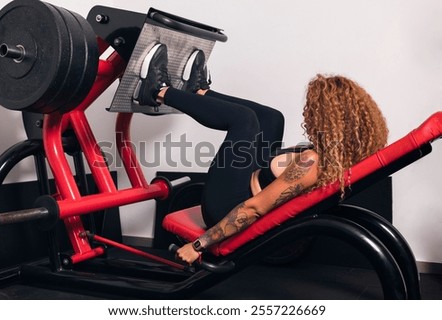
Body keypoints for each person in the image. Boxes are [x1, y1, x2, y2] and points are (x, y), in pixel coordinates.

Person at [134, 43, 389, 265]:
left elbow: (255, 208)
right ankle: (199, 94)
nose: (307, 116)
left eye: (313, 111)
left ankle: (158, 90)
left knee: (244, 120)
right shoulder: (340, 155)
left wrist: (198, 245)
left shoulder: (311, 163)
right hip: (250, 182)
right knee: (272, 118)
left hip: (227, 205)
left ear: (331, 119)